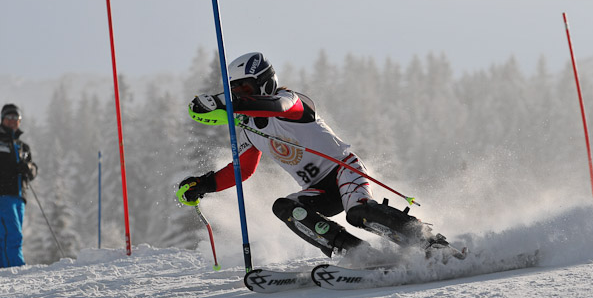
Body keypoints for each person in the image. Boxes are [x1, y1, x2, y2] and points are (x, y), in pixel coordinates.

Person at [179, 52, 456, 261]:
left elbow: (276, 105)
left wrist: (226, 101)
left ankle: (431, 242)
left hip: (343, 170)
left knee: (358, 213)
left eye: (246, 90)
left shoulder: (291, 100)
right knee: (286, 207)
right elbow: (242, 171)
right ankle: (358, 254)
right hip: (319, 190)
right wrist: (203, 184)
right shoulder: (248, 129)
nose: (240, 96)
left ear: (264, 84)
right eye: (235, 90)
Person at [0, 104, 37, 268]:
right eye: (9, 117)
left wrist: (28, 168)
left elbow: (33, 169)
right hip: (3, 194)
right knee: (13, 234)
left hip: (19, 196)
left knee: (6, 234)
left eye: (16, 118)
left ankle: (4, 270)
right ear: (3, 119)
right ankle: (15, 269)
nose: (13, 121)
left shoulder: (23, 147)